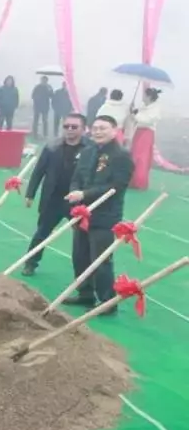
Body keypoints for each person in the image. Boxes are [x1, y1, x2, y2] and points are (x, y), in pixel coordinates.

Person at [63, 115, 134, 310]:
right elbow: (77, 177)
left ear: (114, 130)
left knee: (101, 260)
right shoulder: (88, 151)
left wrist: (85, 194)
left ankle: (106, 302)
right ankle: (85, 294)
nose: (98, 132)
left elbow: (117, 186)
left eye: (103, 128)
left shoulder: (121, 156)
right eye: (95, 128)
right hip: (82, 213)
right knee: (80, 256)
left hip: (105, 216)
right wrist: (75, 192)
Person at [21, 112, 87, 277]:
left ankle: (83, 275)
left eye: (74, 127)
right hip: (52, 199)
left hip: (78, 202)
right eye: (66, 126)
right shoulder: (52, 147)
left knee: (82, 239)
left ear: (83, 129)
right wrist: (30, 194)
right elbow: (39, 171)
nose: (69, 129)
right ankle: (30, 263)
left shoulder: (91, 149)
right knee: (41, 233)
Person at [128, 87, 161, 190]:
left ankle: (140, 182)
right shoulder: (143, 106)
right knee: (134, 156)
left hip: (146, 133)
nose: (142, 97)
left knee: (141, 158)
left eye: (144, 95)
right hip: (139, 131)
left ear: (149, 97)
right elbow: (137, 118)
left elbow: (147, 120)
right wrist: (132, 110)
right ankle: (132, 180)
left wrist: (135, 115)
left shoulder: (155, 109)